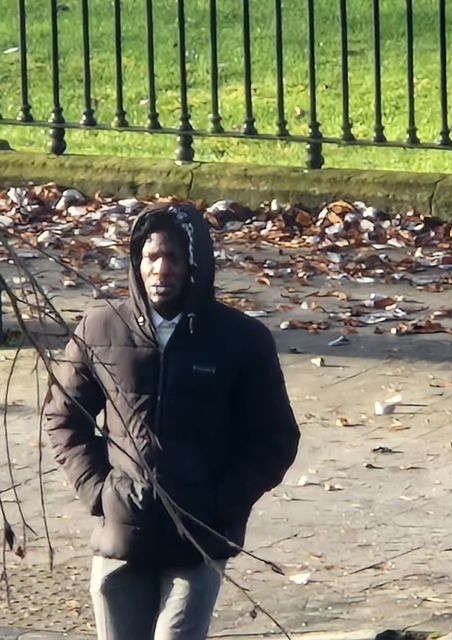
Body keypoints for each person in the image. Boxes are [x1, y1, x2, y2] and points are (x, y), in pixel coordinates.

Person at [43, 202, 300, 640]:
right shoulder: (100, 328)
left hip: (197, 543)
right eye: (151, 257)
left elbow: (275, 437)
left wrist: (224, 504)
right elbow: (63, 417)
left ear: (195, 265)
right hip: (121, 539)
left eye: (174, 258)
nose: (161, 269)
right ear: (137, 263)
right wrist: (99, 492)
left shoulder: (241, 339)